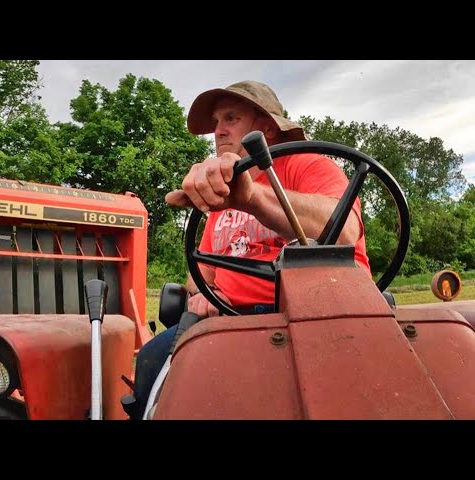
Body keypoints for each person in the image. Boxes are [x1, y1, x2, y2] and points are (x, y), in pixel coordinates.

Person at [131, 80, 372, 418]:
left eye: (231, 118)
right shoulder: (220, 196)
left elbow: (344, 231)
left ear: (267, 128)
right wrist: (204, 294)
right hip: (229, 320)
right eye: (216, 123)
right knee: (152, 358)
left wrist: (253, 198)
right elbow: (201, 271)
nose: (218, 131)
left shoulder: (309, 166)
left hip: (318, 317)